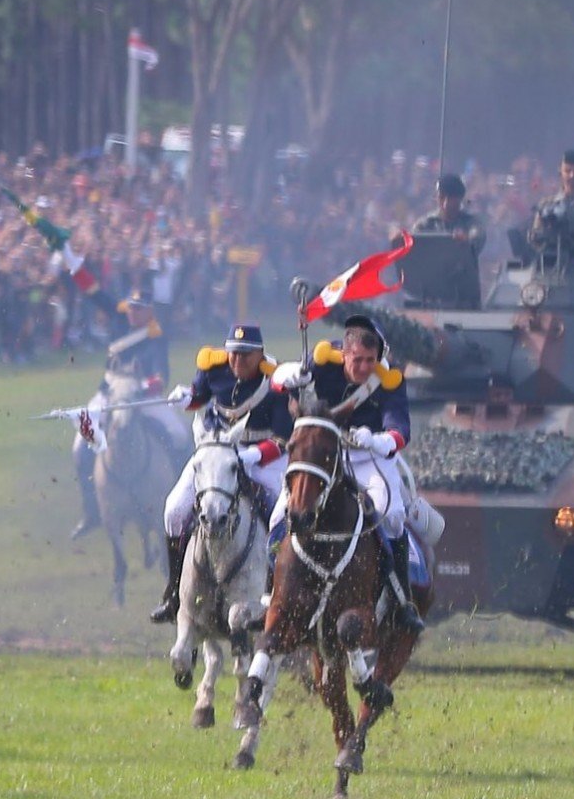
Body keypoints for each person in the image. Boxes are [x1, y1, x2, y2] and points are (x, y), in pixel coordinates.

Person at [270, 314, 424, 635]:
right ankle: (272, 592)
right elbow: (280, 386)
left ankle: (400, 596)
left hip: (369, 457)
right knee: (278, 516)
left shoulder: (388, 379)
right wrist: (289, 376)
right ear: (345, 353)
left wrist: (376, 439)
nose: (365, 367)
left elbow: (400, 432)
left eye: (371, 360)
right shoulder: (321, 364)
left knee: (391, 513)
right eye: (358, 360)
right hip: (322, 455)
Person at [152, 322, 292, 624]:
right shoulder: (214, 370)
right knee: (174, 510)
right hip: (215, 452)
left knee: (281, 514)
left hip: (260, 456)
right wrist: (186, 397)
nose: (237, 362)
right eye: (233, 354)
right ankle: (174, 592)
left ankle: (275, 589)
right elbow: (200, 396)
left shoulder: (276, 382)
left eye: (245, 355)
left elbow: (282, 438)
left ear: (260, 355)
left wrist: (253, 454)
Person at [70, 291, 188, 539]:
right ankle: (92, 511)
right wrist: (68, 256)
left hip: (143, 398)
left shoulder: (156, 335)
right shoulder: (118, 321)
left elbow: (161, 376)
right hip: (109, 395)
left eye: (139, 309)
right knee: (81, 444)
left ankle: (184, 503)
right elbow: (94, 291)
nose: (133, 313)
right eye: (131, 308)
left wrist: (138, 389)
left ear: (149, 312)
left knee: (180, 436)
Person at [412, 174, 483, 254]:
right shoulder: (426, 224)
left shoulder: (470, 222)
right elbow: (413, 246)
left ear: (459, 198)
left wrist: (466, 240)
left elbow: (477, 237)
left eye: (451, 198)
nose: (445, 204)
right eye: (441, 197)